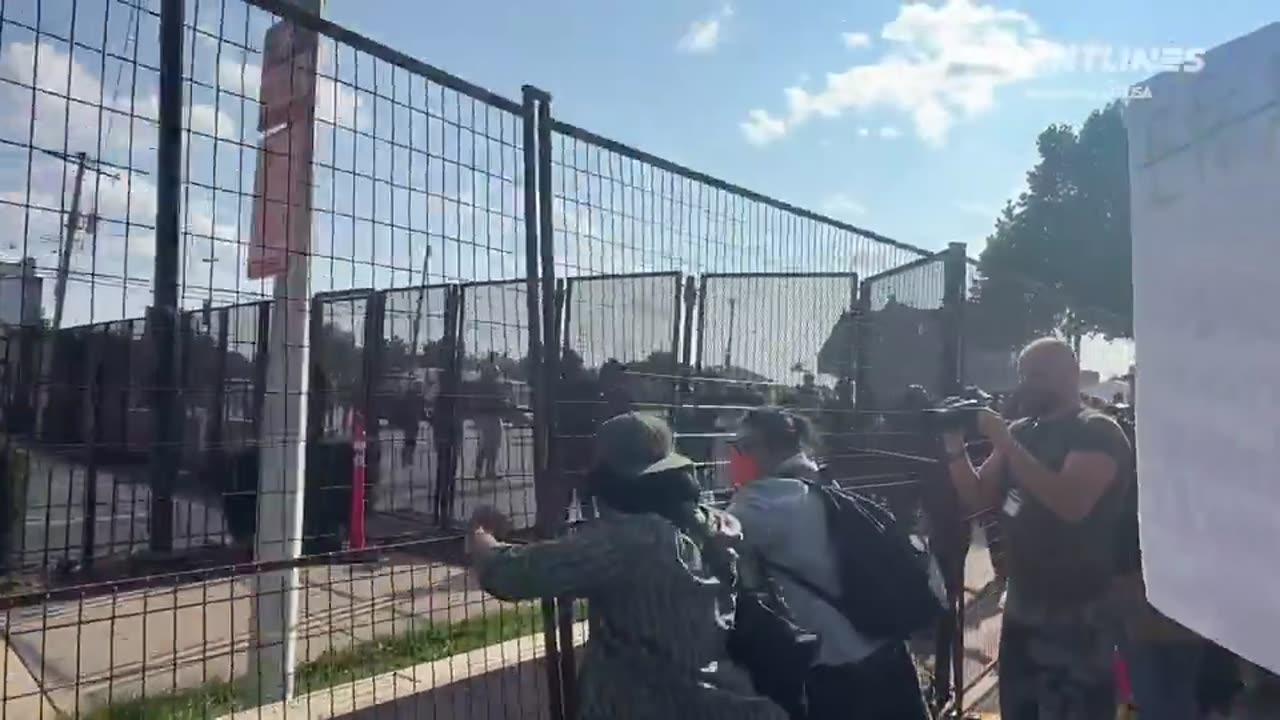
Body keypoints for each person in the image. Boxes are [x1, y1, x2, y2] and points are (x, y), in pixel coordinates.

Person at [468, 413, 787, 720]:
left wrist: (480, 533)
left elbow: (509, 574)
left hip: (648, 706)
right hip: (727, 697)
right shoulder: (713, 522)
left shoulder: (630, 542)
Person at [942, 337, 1132, 719]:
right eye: (1024, 375)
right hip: (1024, 604)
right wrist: (953, 447)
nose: (1028, 384)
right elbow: (978, 498)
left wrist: (1005, 440)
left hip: (1079, 610)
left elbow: (1071, 504)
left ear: (1071, 375)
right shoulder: (1023, 431)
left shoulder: (1095, 430)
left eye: (1039, 375)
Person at [728, 407, 928, 720]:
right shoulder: (826, 484)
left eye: (743, 447)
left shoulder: (759, 504)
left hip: (834, 669)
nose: (738, 458)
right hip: (888, 653)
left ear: (765, 447)